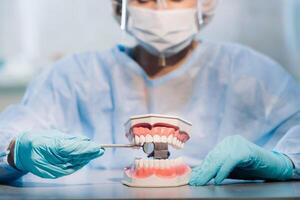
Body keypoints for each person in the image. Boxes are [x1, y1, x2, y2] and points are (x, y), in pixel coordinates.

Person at [0, 0, 299, 185]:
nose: (161, 10)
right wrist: (16, 151)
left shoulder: (252, 74)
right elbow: (8, 135)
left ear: (203, 4)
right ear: (123, 7)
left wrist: (285, 164)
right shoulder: (72, 77)